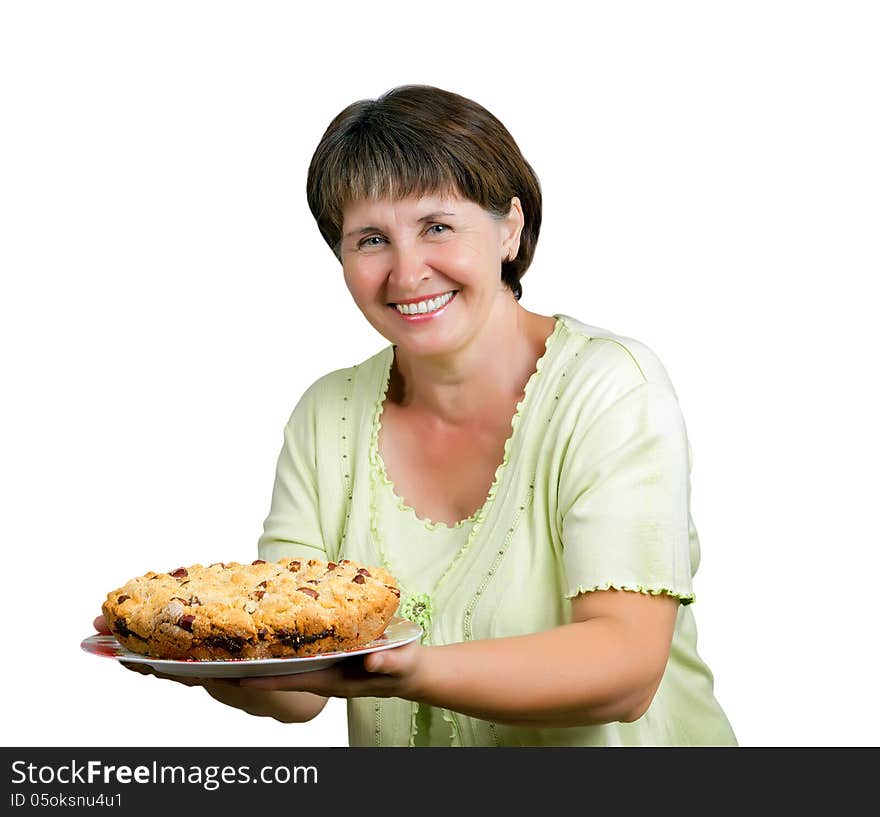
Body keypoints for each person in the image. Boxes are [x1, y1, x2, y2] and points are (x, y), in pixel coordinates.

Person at [95, 84, 737, 746]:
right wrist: (200, 655)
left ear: (509, 227)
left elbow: (626, 671)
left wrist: (406, 671)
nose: (406, 274)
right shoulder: (327, 416)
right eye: (371, 239)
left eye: (436, 226)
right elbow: (294, 688)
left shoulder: (609, 389)